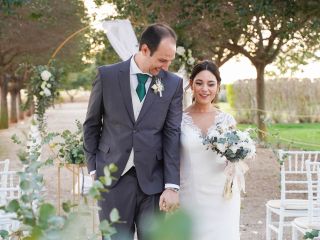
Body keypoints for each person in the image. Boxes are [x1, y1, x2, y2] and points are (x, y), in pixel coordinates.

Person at [83, 23, 183, 240]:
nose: (166, 67)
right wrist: (93, 167)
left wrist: (172, 186)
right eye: (162, 60)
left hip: (153, 182)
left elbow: (172, 133)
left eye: (170, 61)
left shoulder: (174, 84)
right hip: (112, 179)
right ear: (145, 49)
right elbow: (91, 125)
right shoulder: (106, 76)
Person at [179, 60, 240, 240]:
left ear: (218, 86)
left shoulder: (227, 120)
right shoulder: (179, 120)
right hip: (191, 194)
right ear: (191, 84)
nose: (205, 89)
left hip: (222, 196)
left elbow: (234, 155)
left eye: (211, 84)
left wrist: (236, 160)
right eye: (199, 83)